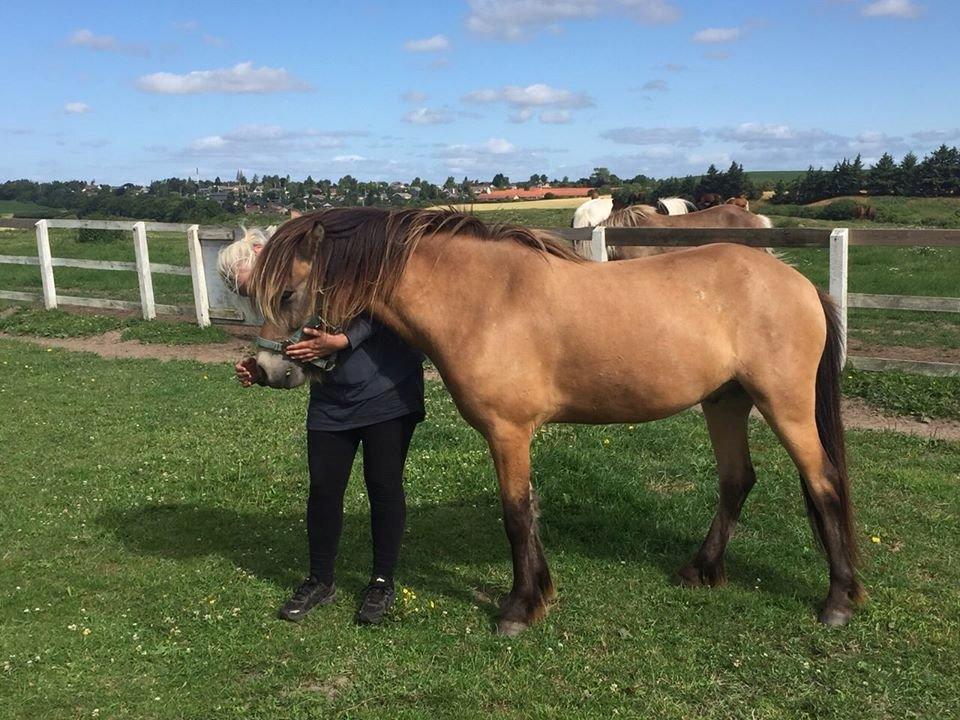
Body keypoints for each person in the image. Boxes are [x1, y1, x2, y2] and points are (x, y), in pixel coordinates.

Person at [222, 230, 425, 625]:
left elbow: (384, 304)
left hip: (387, 387)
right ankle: (320, 579)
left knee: (384, 486)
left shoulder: (345, 259)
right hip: (333, 398)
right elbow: (293, 341)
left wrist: (343, 341)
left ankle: (381, 581)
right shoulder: (296, 284)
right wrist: (261, 370)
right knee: (323, 489)